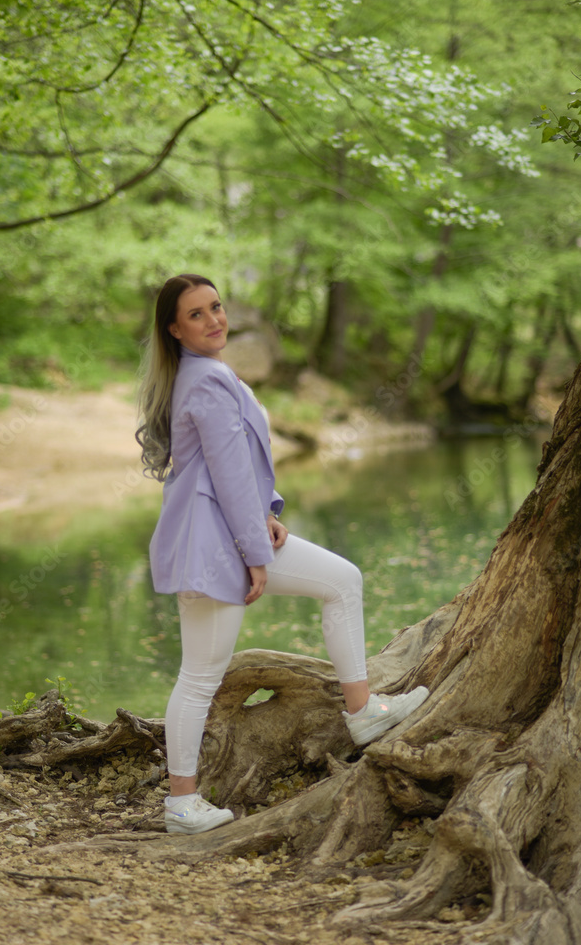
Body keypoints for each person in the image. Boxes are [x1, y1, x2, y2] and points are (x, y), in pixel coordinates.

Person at [136, 274, 428, 835]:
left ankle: (362, 711)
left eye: (216, 306)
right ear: (174, 329)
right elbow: (226, 476)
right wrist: (254, 553)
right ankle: (181, 803)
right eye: (196, 314)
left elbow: (238, 465)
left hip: (233, 532)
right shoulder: (204, 380)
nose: (214, 319)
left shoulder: (209, 372)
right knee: (199, 676)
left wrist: (267, 513)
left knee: (342, 580)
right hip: (211, 545)